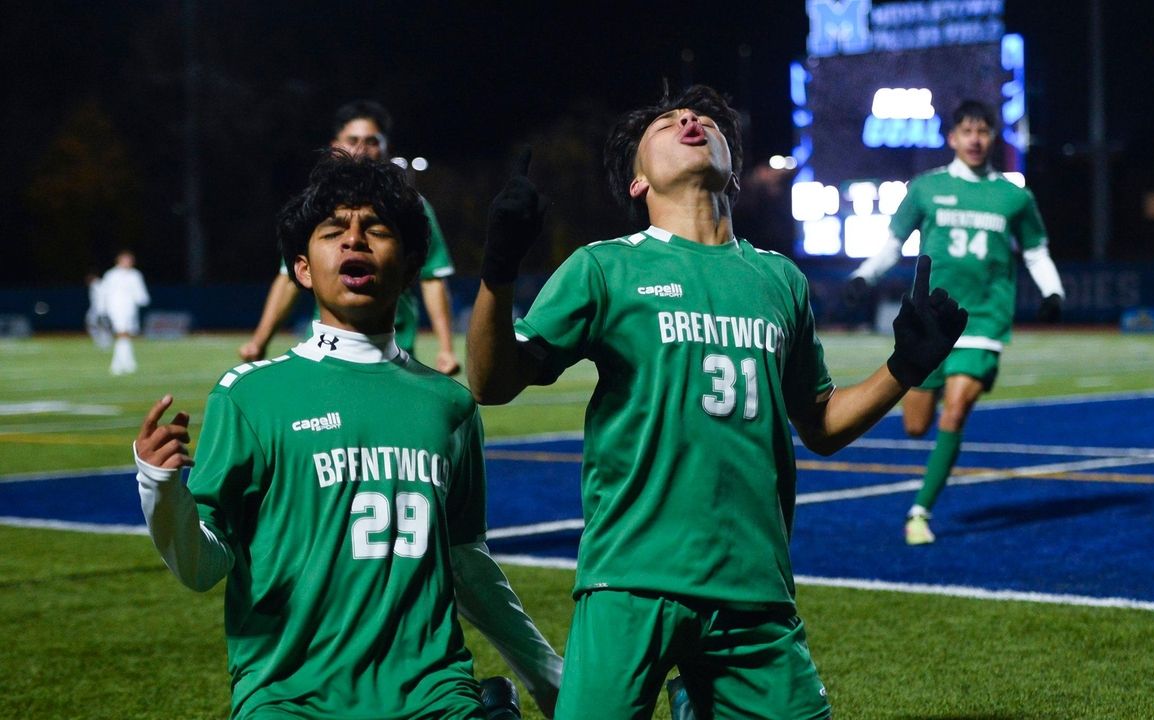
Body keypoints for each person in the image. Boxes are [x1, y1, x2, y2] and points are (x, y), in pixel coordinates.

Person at [467, 85, 966, 720]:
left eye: (703, 118)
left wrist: (905, 369)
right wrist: (498, 271)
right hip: (631, 580)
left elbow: (820, 424)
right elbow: (491, 381)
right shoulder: (603, 267)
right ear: (637, 183)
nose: (688, 119)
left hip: (754, 587)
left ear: (732, 166)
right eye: (665, 125)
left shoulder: (778, 278)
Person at [133, 153, 560, 719]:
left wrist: (551, 678)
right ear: (303, 269)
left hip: (431, 693)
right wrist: (160, 487)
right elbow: (203, 568)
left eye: (376, 231)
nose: (354, 242)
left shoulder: (451, 403)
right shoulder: (250, 396)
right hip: (291, 698)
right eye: (334, 232)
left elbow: (467, 561)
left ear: (410, 267)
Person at [847, 99, 1065, 545]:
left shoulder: (1014, 196)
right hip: (930, 320)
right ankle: (923, 496)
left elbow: (1037, 251)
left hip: (984, 319)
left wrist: (1052, 291)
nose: (975, 139)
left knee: (959, 406)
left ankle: (919, 512)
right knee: (914, 426)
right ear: (952, 138)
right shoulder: (925, 189)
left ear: (992, 137)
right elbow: (892, 244)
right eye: (967, 131)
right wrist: (863, 276)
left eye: (983, 131)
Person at [239, 100, 462, 375]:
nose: (361, 148)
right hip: (328, 346)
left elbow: (432, 279)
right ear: (335, 146)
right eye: (353, 139)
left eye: (371, 141)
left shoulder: (411, 206)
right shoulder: (317, 206)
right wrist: (259, 341)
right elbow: (288, 278)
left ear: (385, 148)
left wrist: (446, 349)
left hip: (394, 346)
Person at [100, 249, 150, 375]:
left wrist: (143, 300)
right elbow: (104, 293)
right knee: (122, 334)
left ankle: (123, 363)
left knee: (126, 336)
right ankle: (121, 364)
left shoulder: (135, 275)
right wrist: (103, 309)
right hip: (116, 309)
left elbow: (140, 294)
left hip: (130, 310)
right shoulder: (111, 275)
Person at [84, 271, 113, 349]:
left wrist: (103, 310)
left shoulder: (98, 285)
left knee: (103, 326)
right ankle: (100, 341)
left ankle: (105, 342)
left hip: (101, 310)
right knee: (93, 325)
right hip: (96, 309)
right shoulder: (95, 285)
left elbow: (105, 297)